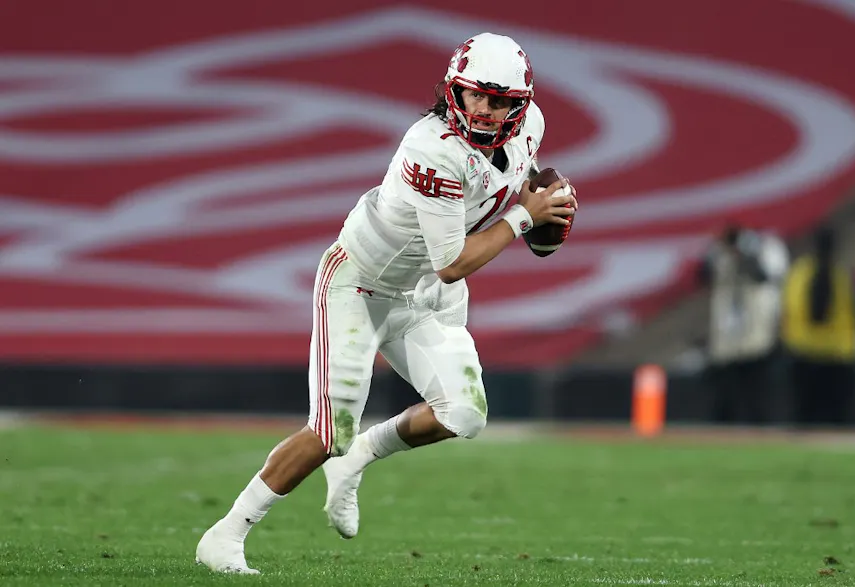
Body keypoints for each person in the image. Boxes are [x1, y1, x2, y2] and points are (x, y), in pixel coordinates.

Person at [195, 32, 577, 574]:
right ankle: (226, 535)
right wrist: (526, 218)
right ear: (455, 91)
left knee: (465, 413)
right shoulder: (432, 148)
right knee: (329, 431)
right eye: (476, 96)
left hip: (425, 292)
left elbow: (519, 179)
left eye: (501, 102)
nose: (487, 110)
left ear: (521, 105)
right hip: (363, 283)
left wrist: (547, 197)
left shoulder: (530, 126)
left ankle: (362, 455)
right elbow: (455, 260)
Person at [698, 223, 789, 424]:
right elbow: (703, 276)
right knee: (723, 399)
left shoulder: (768, 249)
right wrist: (717, 250)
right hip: (726, 339)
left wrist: (747, 252)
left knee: (755, 397)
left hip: (756, 338)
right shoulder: (720, 254)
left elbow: (763, 277)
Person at [781, 226, 855, 427]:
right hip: (838, 356)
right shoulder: (843, 274)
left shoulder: (799, 274)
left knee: (804, 419)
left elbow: (787, 311)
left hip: (804, 353)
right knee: (836, 421)